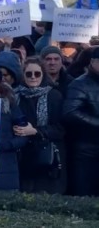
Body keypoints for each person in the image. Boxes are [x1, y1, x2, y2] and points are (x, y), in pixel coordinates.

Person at [14, 57, 66, 194]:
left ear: (43, 75)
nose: (33, 77)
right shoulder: (14, 96)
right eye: (28, 74)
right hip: (22, 156)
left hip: (46, 157)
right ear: (23, 75)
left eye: (37, 74)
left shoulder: (54, 96)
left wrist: (36, 131)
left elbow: (60, 128)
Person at [63, 47, 99, 196]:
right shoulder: (80, 84)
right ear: (92, 62)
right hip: (86, 150)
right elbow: (70, 112)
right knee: (84, 194)